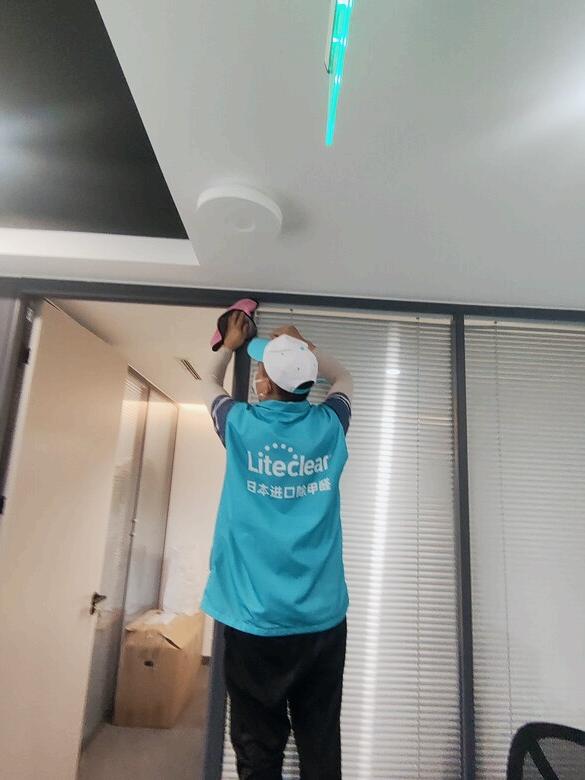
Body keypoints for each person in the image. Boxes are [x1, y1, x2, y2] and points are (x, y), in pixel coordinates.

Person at [201, 311, 353, 780]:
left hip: (254, 625)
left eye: (261, 368)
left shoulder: (239, 426)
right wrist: (306, 350)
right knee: (319, 743)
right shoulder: (330, 426)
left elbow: (207, 381)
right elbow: (344, 378)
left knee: (257, 748)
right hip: (321, 624)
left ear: (263, 385)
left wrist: (229, 344)